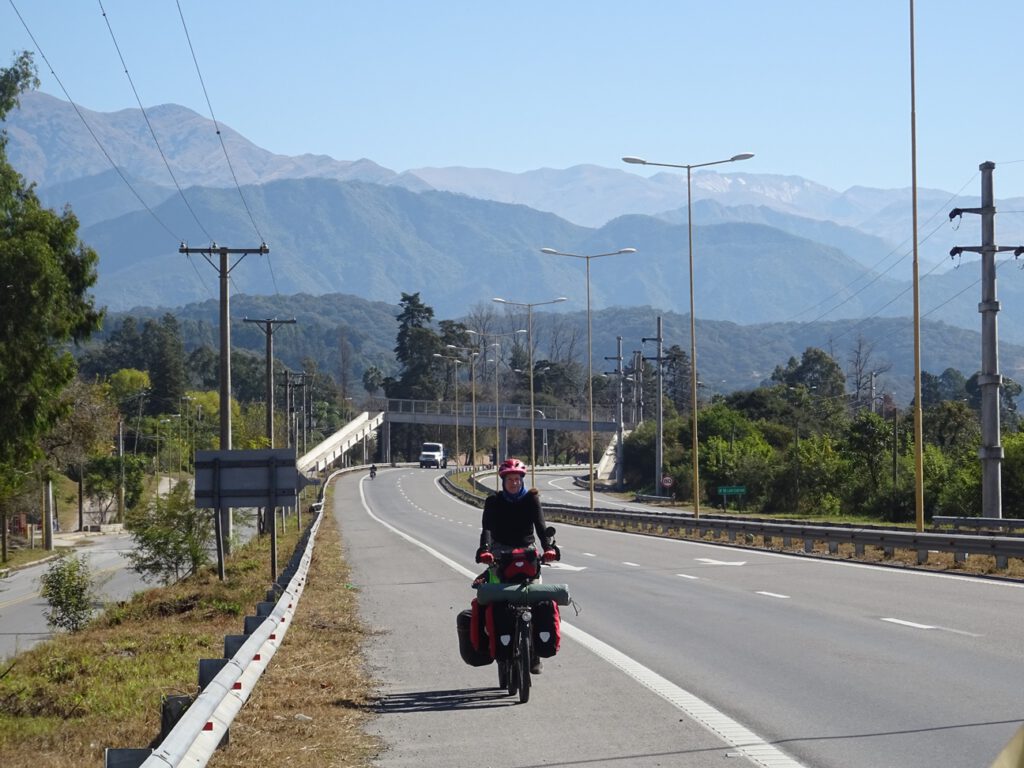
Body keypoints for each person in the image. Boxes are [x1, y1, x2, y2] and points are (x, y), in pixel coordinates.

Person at [475, 457, 559, 673]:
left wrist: (548, 548)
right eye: (509, 479)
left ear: (522, 479)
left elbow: (541, 527)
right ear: (503, 481)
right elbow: (488, 528)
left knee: (538, 599)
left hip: (527, 554)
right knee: (495, 600)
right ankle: (496, 644)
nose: (514, 483)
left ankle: (536, 653)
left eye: (517, 479)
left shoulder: (531, 500)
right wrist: (485, 550)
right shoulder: (494, 501)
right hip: (500, 554)